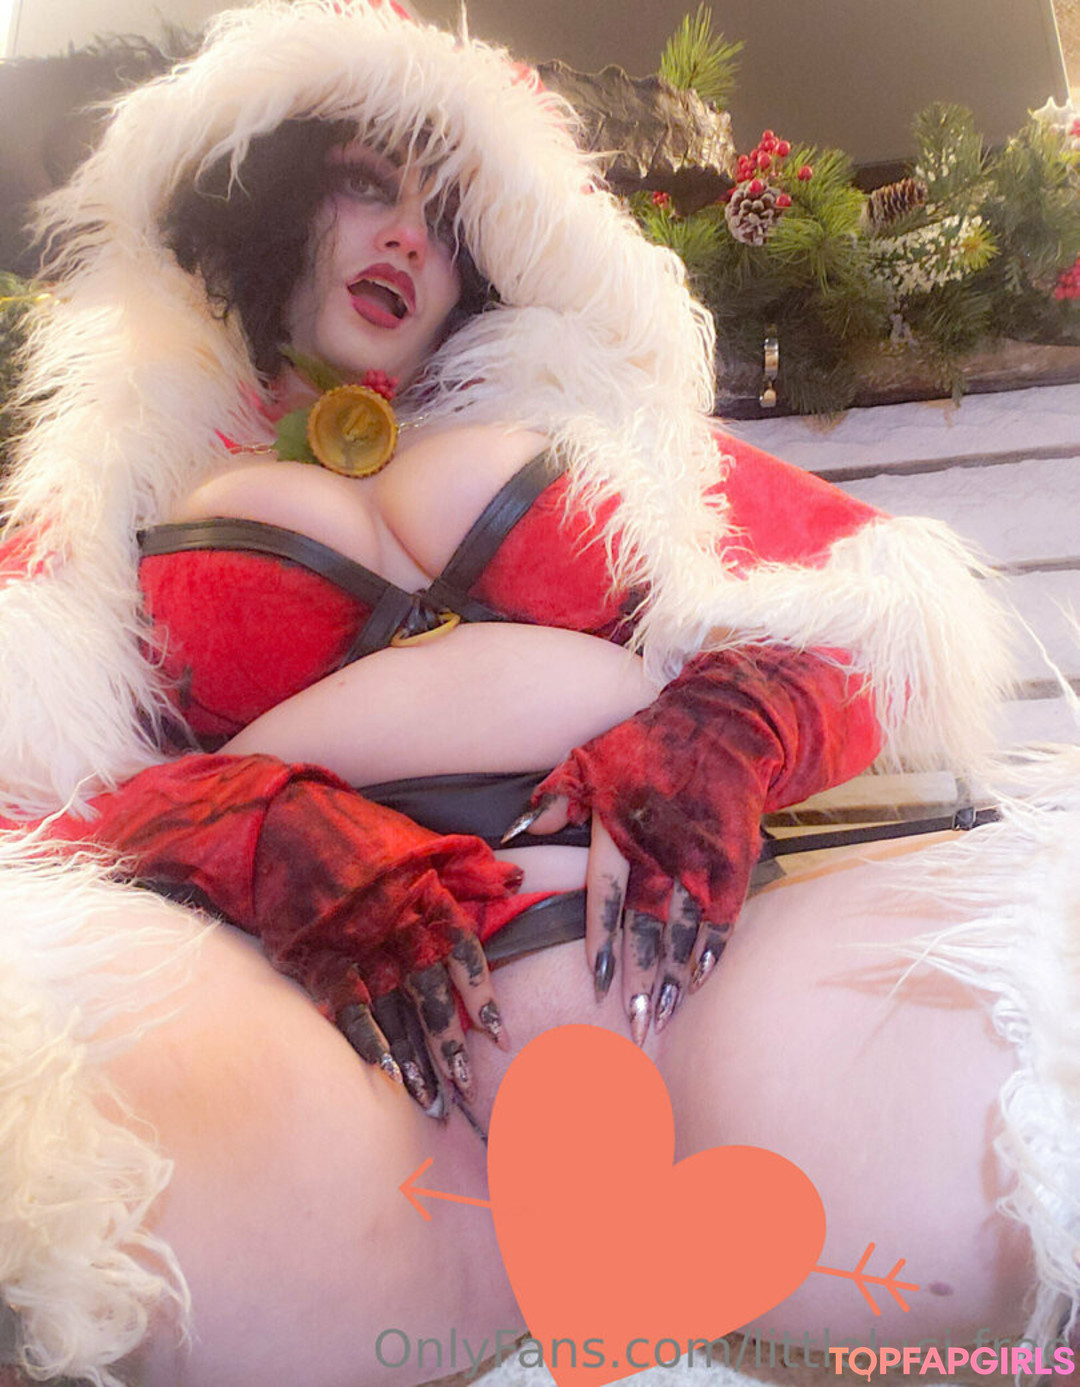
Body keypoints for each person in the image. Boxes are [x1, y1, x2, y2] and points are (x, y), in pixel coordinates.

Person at [0, 1, 1069, 1381]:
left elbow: (878, 607)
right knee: (50, 1150)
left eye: (449, 219)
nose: (410, 240)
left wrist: (729, 731)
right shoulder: (116, 487)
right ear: (263, 203)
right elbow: (26, 755)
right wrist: (230, 826)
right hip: (358, 1057)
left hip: (693, 976)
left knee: (1044, 1039)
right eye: (367, 186)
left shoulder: (602, 426)